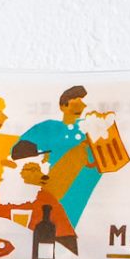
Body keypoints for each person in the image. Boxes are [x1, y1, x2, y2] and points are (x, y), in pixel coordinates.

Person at [17, 85, 105, 226]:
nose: (83, 105)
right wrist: (38, 163)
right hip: (51, 189)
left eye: (83, 102)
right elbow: (17, 152)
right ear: (63, 106)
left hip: (81, 192)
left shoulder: (91, 128)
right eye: (77, 101)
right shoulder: (48, 127)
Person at [0, 141, 77, 249]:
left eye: (40, 170)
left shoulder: (47, 201)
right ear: (14, 172)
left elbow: (68, 242)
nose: (43, 176)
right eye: (33, 170)